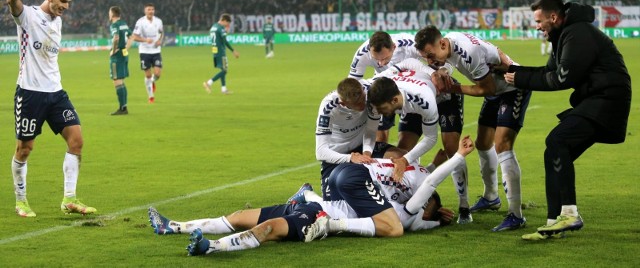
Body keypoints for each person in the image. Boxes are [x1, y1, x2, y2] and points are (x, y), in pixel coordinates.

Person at [146, 136, 475, 256]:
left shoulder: (408, 213)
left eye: (430, 207)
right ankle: (189, 234)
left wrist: (440, 217)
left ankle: (194, 237)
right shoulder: (392, 206)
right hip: (325, 208)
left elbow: (430, 187)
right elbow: (429, 181)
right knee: (254, 221)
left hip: (324, 204)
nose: (428, 203)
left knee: (256, 222)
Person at [500, 0, 631, 240]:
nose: (536, 26)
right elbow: (549, 71)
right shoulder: (563, 36)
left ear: (554, 17)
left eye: (539, 20)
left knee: (558, 140)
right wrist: (514, 71)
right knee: (554, 150)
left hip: (607, 100)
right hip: (597, 99)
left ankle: (570, 213)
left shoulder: (577, 32)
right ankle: (553, 224)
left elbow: (562, 79)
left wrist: (520, 79)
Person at [414, 26, 532, 232]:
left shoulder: (468, 52)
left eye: (431, 56)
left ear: (442, 44)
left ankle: (516, 215)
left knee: (502, 145)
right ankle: (491, 197)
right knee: (483, 143)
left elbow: (487, 88)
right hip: (497, 90)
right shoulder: (449, 44)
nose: (430, 62)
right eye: (426, 58)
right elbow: (490, 49)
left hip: (512, 88)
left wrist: (454, 88)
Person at [349, 32, 472, 224]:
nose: (380, 112)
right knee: (403, 147)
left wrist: (405, 161)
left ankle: (464, 206)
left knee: (450, 148)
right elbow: (406, 64)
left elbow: (430, 139)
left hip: (443, 95)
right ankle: (417, 195)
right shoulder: (383, 83)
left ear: (393, 100)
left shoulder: (424, 101)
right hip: (409, 98)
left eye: (383, 109)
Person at [7, 0, 96, 217]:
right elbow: (12, 1)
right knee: (25, 148)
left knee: (76, 141)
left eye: (68, 2)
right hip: (30, 93)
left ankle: (69, 199)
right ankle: (21, 201)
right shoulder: (29, 17)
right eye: (62, 1)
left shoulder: (58, 22)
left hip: (56, 93)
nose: (66, 7)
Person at [130, 3, 164, 103]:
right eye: (149, 9)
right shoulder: (140, 22)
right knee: (148, 75)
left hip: (156, 50)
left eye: (152, 9)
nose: (151, 11)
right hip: (144, 51)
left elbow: (161, 32)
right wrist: (145, 40)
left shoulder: (158, 21)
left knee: (157, 74)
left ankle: (152, 82)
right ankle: (151, 97)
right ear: (145, 11)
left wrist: (160, 41)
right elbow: (135, 36)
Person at [202, 13, 239, 95]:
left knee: (223, 69)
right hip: (220, 51)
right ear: (224, 20)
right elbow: (225, 41)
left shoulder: (213, 27)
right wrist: (233, 51)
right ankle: (208, 83)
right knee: (225, 70)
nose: (227, 25)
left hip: (215, 51)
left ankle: (224, 89)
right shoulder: (220, 28)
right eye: (228, 23)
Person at [108, 6, 131, 115]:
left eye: (109, 13)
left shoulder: (115, 25)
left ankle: (122, 108)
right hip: (124, 54)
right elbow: (131, 37)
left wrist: (113, 50)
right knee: (121, 81)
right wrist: (126, 48)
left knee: (117, 81)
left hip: (117, 56)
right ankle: (124, 106)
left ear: (112, 14)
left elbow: (116, 37)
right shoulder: (124, 24)